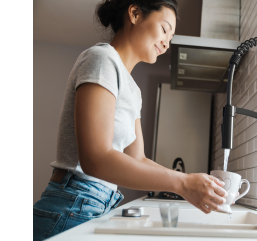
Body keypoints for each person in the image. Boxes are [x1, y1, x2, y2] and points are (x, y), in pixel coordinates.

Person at [33, 1, 228, 240]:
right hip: (73, 203)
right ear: (135, 14)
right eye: (165, 29)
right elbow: (95, 159)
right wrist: (183, 183)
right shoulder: (102, 59)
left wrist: (188, 183)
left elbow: (138, 158)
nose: (167, 42)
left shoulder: (133, 90)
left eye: (172, 36)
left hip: (98, 204)